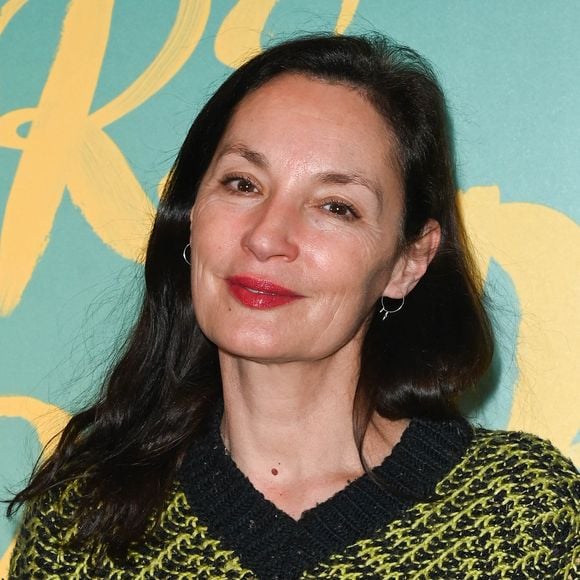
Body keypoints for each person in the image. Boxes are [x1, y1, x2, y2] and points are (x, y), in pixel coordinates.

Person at [8, 33, 579, 579]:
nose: (266, 236)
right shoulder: (83, 521)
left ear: (409, 261)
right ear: (190, 217)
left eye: (335, 206)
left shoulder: (519, 514)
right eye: (242, 184)